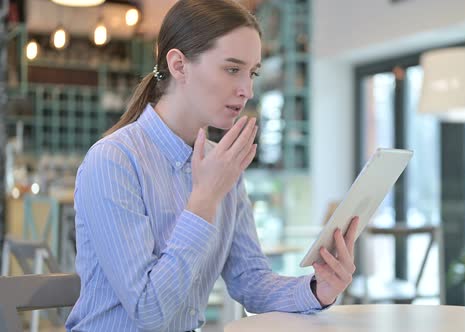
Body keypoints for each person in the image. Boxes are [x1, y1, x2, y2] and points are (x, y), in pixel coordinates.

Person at [65, 1, 359, 331]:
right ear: (179, 65)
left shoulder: (222, 163)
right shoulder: (113, 160)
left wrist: (319, 289)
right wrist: (204, 200)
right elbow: (147, 310)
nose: (247, 90)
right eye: (232, 69)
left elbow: (250, 280)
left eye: (252, 73)